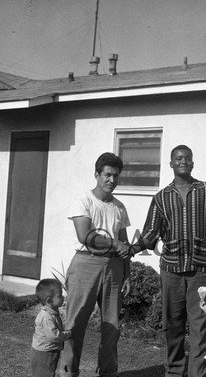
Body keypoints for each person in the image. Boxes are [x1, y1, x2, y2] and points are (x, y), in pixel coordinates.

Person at [127, 144, 206, 377]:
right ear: (171, 164)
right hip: (172, 271)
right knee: (173, 324)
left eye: (187, 158)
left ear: (192, 163)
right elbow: (150, 235)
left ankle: (198, 373)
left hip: (202, 270)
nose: (183, 161)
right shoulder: (161, 198)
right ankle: (174, 371)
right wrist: (131, 249)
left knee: (201, 325)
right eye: (178, 158)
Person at [58, 152, 131, 377]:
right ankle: (68, 371)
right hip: (86, 265)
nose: (112, 180)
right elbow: (85, 236)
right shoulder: (84, 200)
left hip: (114, 267)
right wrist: (114, 243)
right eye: (107, 175)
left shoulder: (119, 207)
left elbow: (125, 244)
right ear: (97, 175)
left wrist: (127, 274)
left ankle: (108, 372)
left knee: (112, 326)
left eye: (116, 176)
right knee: (75, 323)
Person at [31, 278, 72, 377]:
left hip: (47, 351)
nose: (63, 297)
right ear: (49, 300)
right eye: (60, 296)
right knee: (46, 373)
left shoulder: (52, 312)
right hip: (45, 354)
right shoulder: (46, 317)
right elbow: (54, 337)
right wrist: (69, 334)